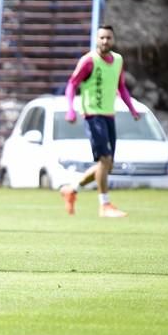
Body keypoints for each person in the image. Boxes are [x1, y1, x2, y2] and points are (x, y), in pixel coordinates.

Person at [59, 25, 140, 217]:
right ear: (96, 39)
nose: (105, 41)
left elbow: (121, 87)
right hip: (92, 115)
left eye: (109, 38)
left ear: (114, 40)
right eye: (102, 38)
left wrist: (132, 108)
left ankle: (72, 189)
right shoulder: (88, 61)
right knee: (104, 160)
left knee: (107, 164)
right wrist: (70, 109)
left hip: (109, 115)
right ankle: (104, 205)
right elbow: (71, 84)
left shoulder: (118, 60)